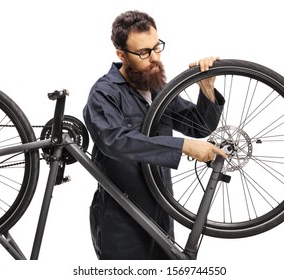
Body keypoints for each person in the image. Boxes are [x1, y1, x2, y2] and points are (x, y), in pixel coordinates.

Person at [83, 10, 226, 260]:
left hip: (162, 210)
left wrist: (207, 90)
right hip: (121, 218)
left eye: (157, 47)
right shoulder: (103, 93)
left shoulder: (157, 87)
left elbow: (198, 126)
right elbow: (115, 142)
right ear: (121, 55)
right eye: (143, 53)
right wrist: (182, 146)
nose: (154, 58)